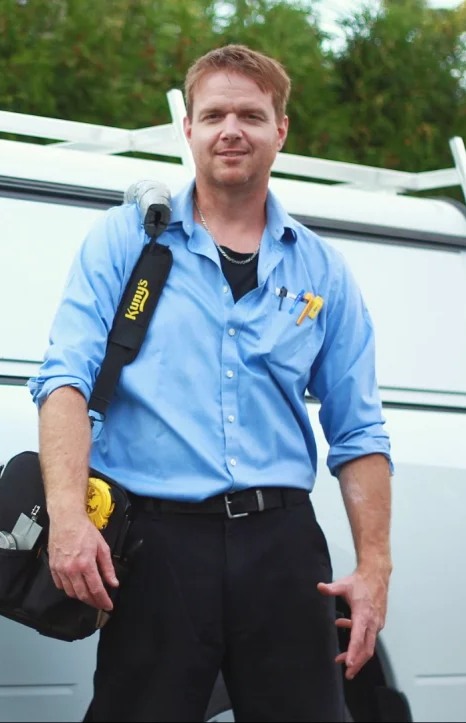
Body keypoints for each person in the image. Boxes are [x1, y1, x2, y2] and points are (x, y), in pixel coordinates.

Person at [27, 44, 393, 722]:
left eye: (251, 115)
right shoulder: (126, 243)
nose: (232, 130)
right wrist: (69, 518)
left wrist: (374, 568)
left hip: (284, 548)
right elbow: (64, 383)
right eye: (214, 114)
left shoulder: (323, 270)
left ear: (280, 130)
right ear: (188, 129)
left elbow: (359, 431)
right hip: (157, 546)